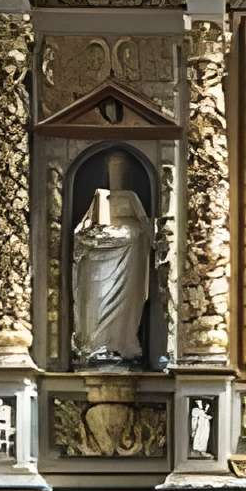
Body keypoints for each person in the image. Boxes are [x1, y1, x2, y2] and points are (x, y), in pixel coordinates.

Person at [70, 152, 155, 364]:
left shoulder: (130, 197)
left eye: (119, 168)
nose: (115, 173)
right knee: (97, 299)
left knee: (124, 304)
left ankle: (120, 344)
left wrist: (129, 233)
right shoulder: (101, 197)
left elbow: (145, 227)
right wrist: (90, 235)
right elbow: (83, 229)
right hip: (100, 258)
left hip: (127, 257)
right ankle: (96, 346)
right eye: (112, 169)